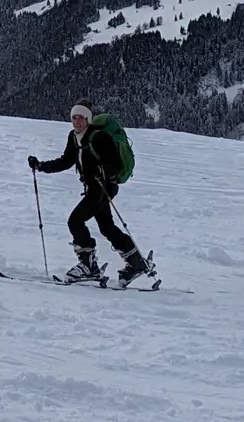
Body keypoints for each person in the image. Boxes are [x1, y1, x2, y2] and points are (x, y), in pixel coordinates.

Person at [29, 101, 155, 286]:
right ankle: (137, 263)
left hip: (103, 188)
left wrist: (102, 172)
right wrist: (41, 166)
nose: (77, 121)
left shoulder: (98, 138)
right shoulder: (74, 137)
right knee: (106, 227)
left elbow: (115, 165)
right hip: (93, 188)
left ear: (88, 119)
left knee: (75, 221)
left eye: (81, 117)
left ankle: (89, 266)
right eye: (74, 117)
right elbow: (66, 161)